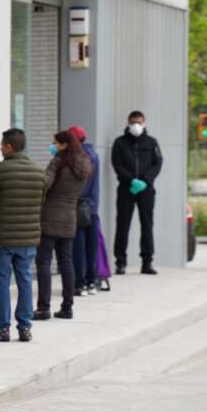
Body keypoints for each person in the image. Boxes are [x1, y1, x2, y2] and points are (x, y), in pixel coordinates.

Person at [0, 128, 47, 343]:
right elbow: (41, 202)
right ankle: (25, 328)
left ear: (9, 146)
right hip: (28, 238)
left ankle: (2, 329)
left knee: (3, 283)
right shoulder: (38, 171)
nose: (0, 148)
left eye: (2, 144)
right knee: (25, 281)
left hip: (2, 237)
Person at [36, 130, 92, 320]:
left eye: (55, 143)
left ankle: (43, 307)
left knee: (43, 262)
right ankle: (67, 307)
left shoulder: (58, 161)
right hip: (70, 217)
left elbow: (45, 183)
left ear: (64, 144)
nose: (53, 146)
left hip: (50, 216)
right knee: (66, 262)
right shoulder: (84, 163)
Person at [111, 110, 163, 275]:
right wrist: (131, 180)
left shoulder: (152, 142)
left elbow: (157, 163)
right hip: (126, 188)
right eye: (133, 122)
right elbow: (116, 165)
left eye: (139, 122)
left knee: (147, 224)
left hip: (146, 190)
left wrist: (145, 180)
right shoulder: (119, 143)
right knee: (122, 225)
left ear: (144, 123)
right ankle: (120, 262)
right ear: (128, 123)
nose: (136, 126)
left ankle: (147, 262)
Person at [70, 125, 102, 295]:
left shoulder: (79, 157)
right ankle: (91, 280)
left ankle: (80, 282)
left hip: (80, 206)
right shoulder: (94, 154)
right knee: (91, 247)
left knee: (79, 247)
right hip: (93, 207)